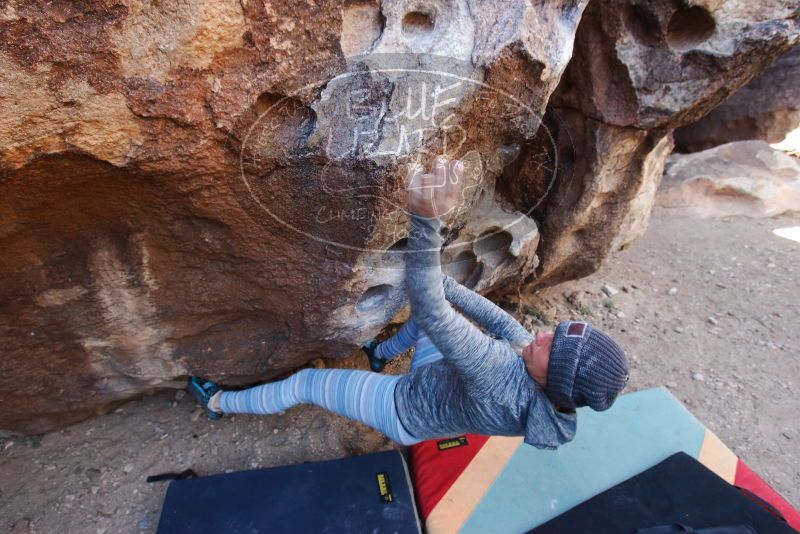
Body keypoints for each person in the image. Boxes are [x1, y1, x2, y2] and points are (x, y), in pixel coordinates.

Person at [189, 158, 629, 448]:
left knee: (305, 383)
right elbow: (483, 316)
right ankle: (380, 355)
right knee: (441, 318)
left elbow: (432, 310)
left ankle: (216, 405)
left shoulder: (498, 376)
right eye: (560, 330)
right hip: (440, 382)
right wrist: (432, 277)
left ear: (554, 380)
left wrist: (425, 222)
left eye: (554, 346)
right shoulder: (539, 377)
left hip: (404, 408)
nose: (546, 333)